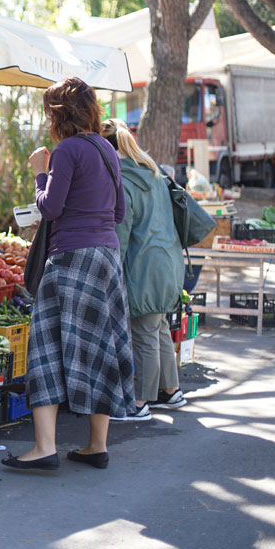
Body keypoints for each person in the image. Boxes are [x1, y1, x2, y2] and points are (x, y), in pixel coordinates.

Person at [1, 77, 134, 472]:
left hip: (71, 259)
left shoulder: (66, 151)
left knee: (46, 346)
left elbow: (51, 208)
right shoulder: (107, 150)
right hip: (106, 259)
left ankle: (44, 448)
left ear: (56, 115)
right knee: (98, 346)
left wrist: (41, 172)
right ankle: (97, 445)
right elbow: (120, 213)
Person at [100, 119, 187, 422]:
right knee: (159, 327)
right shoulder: (152, 171)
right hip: (169, 261)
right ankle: (170, 390)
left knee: (144, 334)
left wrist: (109, 270)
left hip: (144, 266)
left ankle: (138, 403)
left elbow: (121, 235)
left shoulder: (123, 179)